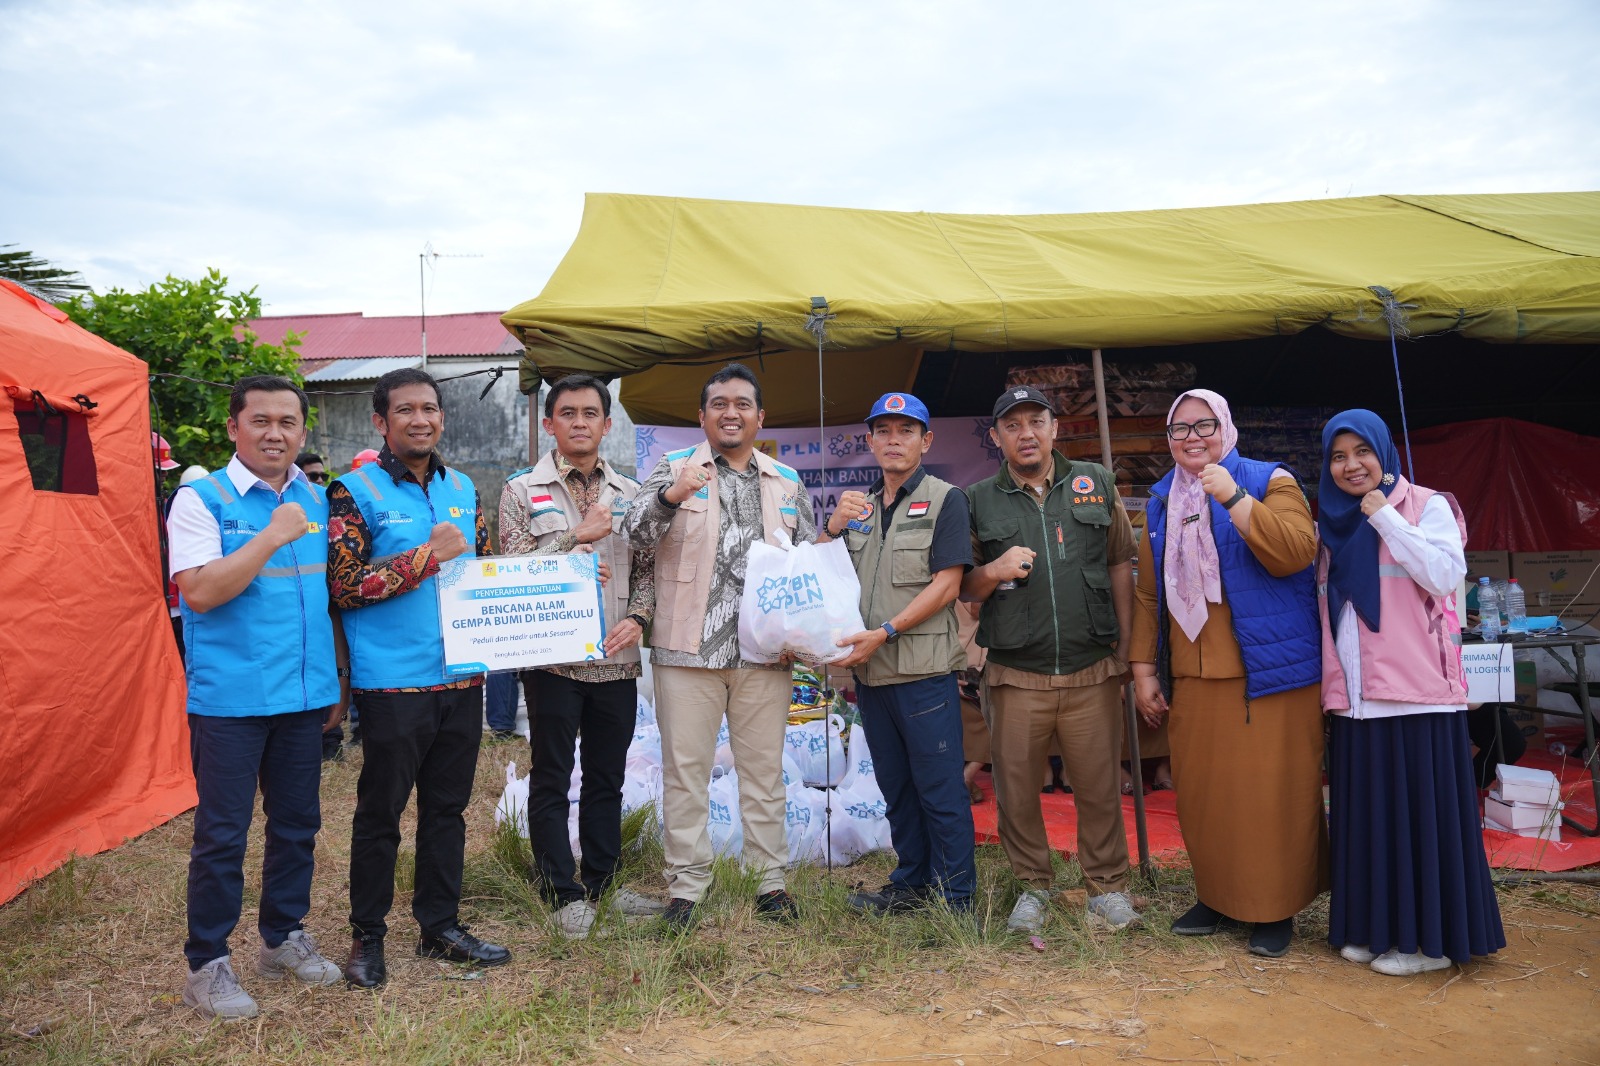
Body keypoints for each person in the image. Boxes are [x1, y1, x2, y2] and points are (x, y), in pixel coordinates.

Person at [166, 375, 345, 1019]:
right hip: (232, 701)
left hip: (303, 694)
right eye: (261, 421)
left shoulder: (315, 498)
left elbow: (325, 599)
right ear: (234, 428)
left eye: (288, 422)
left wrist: (336, 678)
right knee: (223, 834)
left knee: (297, 826)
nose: (275, 434)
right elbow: (199, 592)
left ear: (303, 431)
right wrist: (269, 535)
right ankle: (207, 963)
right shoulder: (201, 499)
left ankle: (283, 936)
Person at [327, 367, 510, 987]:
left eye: (429, 408)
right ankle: (368, 936)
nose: (420, 419)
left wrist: (567, 575)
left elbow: (483, 571)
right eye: (405, 410)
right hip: (391, 683)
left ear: (442, 417)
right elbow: (344, 587)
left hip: (461, 678)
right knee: (381, 814)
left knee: (447, 811)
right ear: (381, 421)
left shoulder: (463, 486)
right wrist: (428, 556)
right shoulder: (352, 491)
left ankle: (440, 927)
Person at [1128, 389, 1328, 958]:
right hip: (1193, 673)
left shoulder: (1270, 480)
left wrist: (1235, 498)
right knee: (1204, 796)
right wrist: (1143, 670)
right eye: (1180, 429)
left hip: (1270, 671)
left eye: (1204, 426)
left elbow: (1296, 551)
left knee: (1272, 795)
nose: (1192, 438)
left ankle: (1276, 906)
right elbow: (1147, 594)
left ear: (1226, 427)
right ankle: (1217, 895)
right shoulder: (1162, 500)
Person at [623, 362, 816, 931]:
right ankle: (687, 888)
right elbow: (634, 534)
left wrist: (803, 636)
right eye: (719, 405)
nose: (731, 413)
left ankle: (770, 883)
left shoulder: (787, 481)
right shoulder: (673, 468)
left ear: (761, 417)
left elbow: (806, 563)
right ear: (702, 416)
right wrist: (671, 496)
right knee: (686, 773)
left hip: (765, 654)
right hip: (687, 651)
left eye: (742, 404)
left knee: (764, 773)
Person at [1317, 409, 1506, 975]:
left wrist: (1386, 519)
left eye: (1362, 452)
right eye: (1338, 456)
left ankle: (1429, 945)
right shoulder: (1329, 522)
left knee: (1419, 822)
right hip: (1357, 699)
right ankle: (1374, 929)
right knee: (1371, 821)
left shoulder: (1427, 505)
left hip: (1418, 695)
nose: (1352, 466)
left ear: (1384, 452)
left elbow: (1445, 577)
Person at [961, 385, 1142, 935]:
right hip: (1016, 673)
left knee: (1099, 786)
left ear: (1054, 428)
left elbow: (1120, 563)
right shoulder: (977, 499)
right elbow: (963, 587)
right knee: (1016, 791)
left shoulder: (1095, 483)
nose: (1027, 434)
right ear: (996, 437)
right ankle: (1032, 887)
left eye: (1036, 422)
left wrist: (1127, 650)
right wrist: (994, 571)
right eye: (1012, 426)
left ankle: (1106, 888)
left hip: (1091, 667)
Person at [500, 373, 664, 937]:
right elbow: (510, 571)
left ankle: (604, 883)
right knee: (551, 776)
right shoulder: (523, 490)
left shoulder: (632, 492)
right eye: (567, 413)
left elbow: (647, 569)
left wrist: (637, 618)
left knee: (606, 777)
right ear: (550, 424)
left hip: (615, 658)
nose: (578, 422)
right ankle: (561, 893)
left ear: (607, 424)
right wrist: (577, 538)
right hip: (552, 660)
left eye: (589, 413)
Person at [830, 392, 977, 914]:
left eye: (906, 431)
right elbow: (828, 575)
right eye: (884, 431)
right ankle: (911, 885)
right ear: (870, 441)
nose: (894, 441)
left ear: (926, 441)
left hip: (923, 674)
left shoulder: (946, 499)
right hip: (871, 676)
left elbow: (947, 585)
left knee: (940, 790)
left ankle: (956, 898)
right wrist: (832, 528)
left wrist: (885, 631)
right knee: (896, 787)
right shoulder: (860, 507)